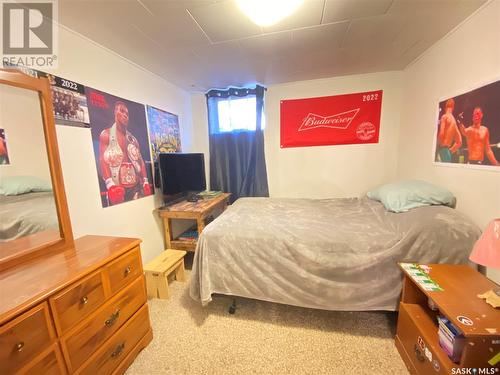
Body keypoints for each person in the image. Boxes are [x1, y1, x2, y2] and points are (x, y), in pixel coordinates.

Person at [99, 101, 152, 205]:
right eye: (122, 111)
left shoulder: (133, 139)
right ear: (115, 112)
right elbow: (103, 160)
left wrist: (145, 181)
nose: (125, 115)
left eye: (127, 114)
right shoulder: (106, 134)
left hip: (135, 187)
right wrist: (110, 185)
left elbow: (140, 161)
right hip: (117, 188)